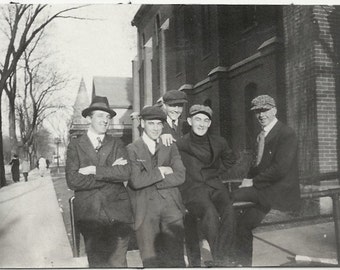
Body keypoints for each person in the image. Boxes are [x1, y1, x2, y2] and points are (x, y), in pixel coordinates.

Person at [232, 95, 301, 266]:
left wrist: (252, 183)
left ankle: (234, 257)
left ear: (274, 110)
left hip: (278, 190)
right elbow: (257, 165)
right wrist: (248, 178)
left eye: (265, 110)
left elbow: (280, 169)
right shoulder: (261, 135)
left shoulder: (286, 133)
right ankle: (242, 264)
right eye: (257, 111)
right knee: (242, 226)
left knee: (231, 197)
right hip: (264, 190)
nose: (261, 115)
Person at [65, 96, 133, 267]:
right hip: (90, 215)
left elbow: (125, 172)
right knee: (98, 264)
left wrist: (94, 170)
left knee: (119, 264)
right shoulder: (75, 145)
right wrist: (110, 171)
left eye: (108, 117)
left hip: (118, 213)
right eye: (100, 116)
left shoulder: (117, 143)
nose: (105, 121)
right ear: (89, 118)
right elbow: (73, 180)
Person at [176, 104, 237, 266]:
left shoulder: (219, 142)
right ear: (189, 121)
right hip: (193, 188)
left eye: (206, 120)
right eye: (198, 119)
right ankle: (220, 259)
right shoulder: (180, 143)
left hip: (215, 186)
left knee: (229, 210)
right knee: (209, 212)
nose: (202, 124)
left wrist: (216, 171)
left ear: (209, 123)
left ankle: (224, 254)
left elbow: (231, 160)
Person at [127, 106, 186, 267]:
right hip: (145, 208)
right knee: (150, 259)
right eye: (151, 123)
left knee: (176, 258)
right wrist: (161, 171)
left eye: (159, 124)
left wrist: (149, 179)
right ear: (142, 123)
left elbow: (180, 175)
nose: (156, 128)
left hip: (171, 206)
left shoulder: (170, 145)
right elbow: (136, 181)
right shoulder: (132, 149)